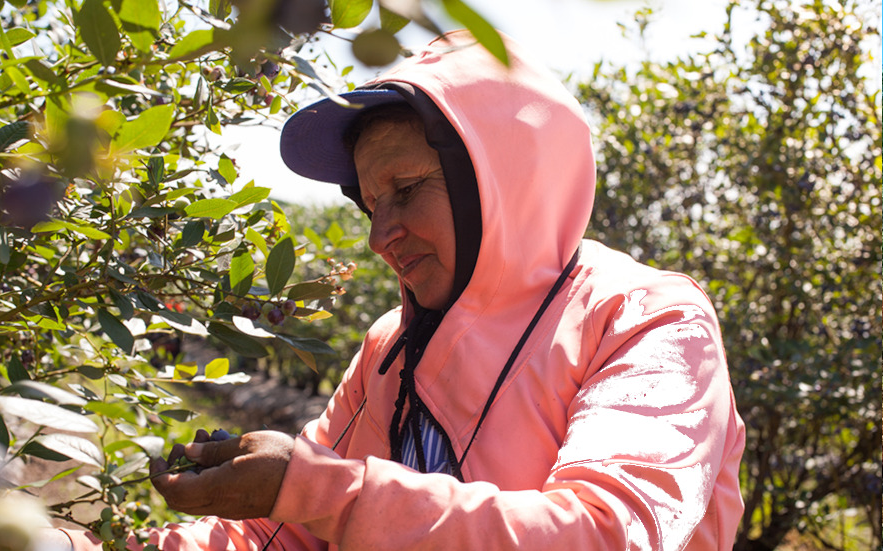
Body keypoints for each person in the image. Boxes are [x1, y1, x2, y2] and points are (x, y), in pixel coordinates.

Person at [58, 29, 746, 550]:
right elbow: (286, 529)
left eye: (409, 188)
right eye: (369, 201)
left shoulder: (648, 322)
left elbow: (608, 532)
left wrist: (313, 486)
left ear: (501, 183)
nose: (380, 233)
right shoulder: (393, 345)